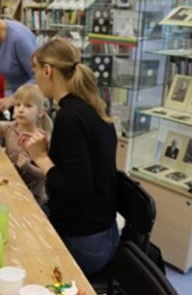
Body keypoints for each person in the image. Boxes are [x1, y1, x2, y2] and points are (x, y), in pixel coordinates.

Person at [20, 38, 118, 275]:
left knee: (18, 248)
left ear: (47, 70)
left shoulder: (69, 117)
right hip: (102, 231)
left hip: (86, 242)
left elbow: (76, 190)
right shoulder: (90, 106)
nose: (35, 79)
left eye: (35, 71)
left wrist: (41, 157)